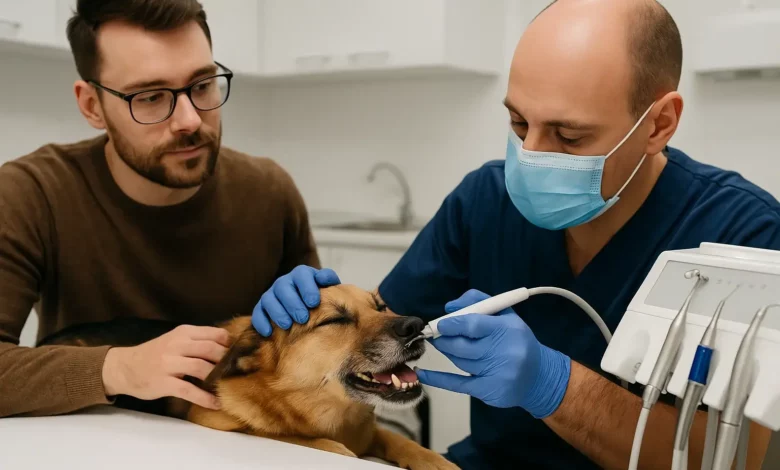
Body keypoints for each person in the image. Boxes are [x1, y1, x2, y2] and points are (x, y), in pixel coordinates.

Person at [251, 0, 780, 469]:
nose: (531, 157)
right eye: (518, 125)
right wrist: (310, 319)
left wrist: (553, 385)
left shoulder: (744, 236)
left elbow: (728, 459)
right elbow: (382, 331)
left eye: (569, 136)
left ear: (658, 124)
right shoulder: (483, 201)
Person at [0, 0, 321, 418]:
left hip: (237, 445)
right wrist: (119, 367)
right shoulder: (30, 193)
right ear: (92, 106)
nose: (189, 119)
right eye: (151, 97)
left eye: (203, 86)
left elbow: (317, 362)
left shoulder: (270, 191)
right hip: (90, 443)